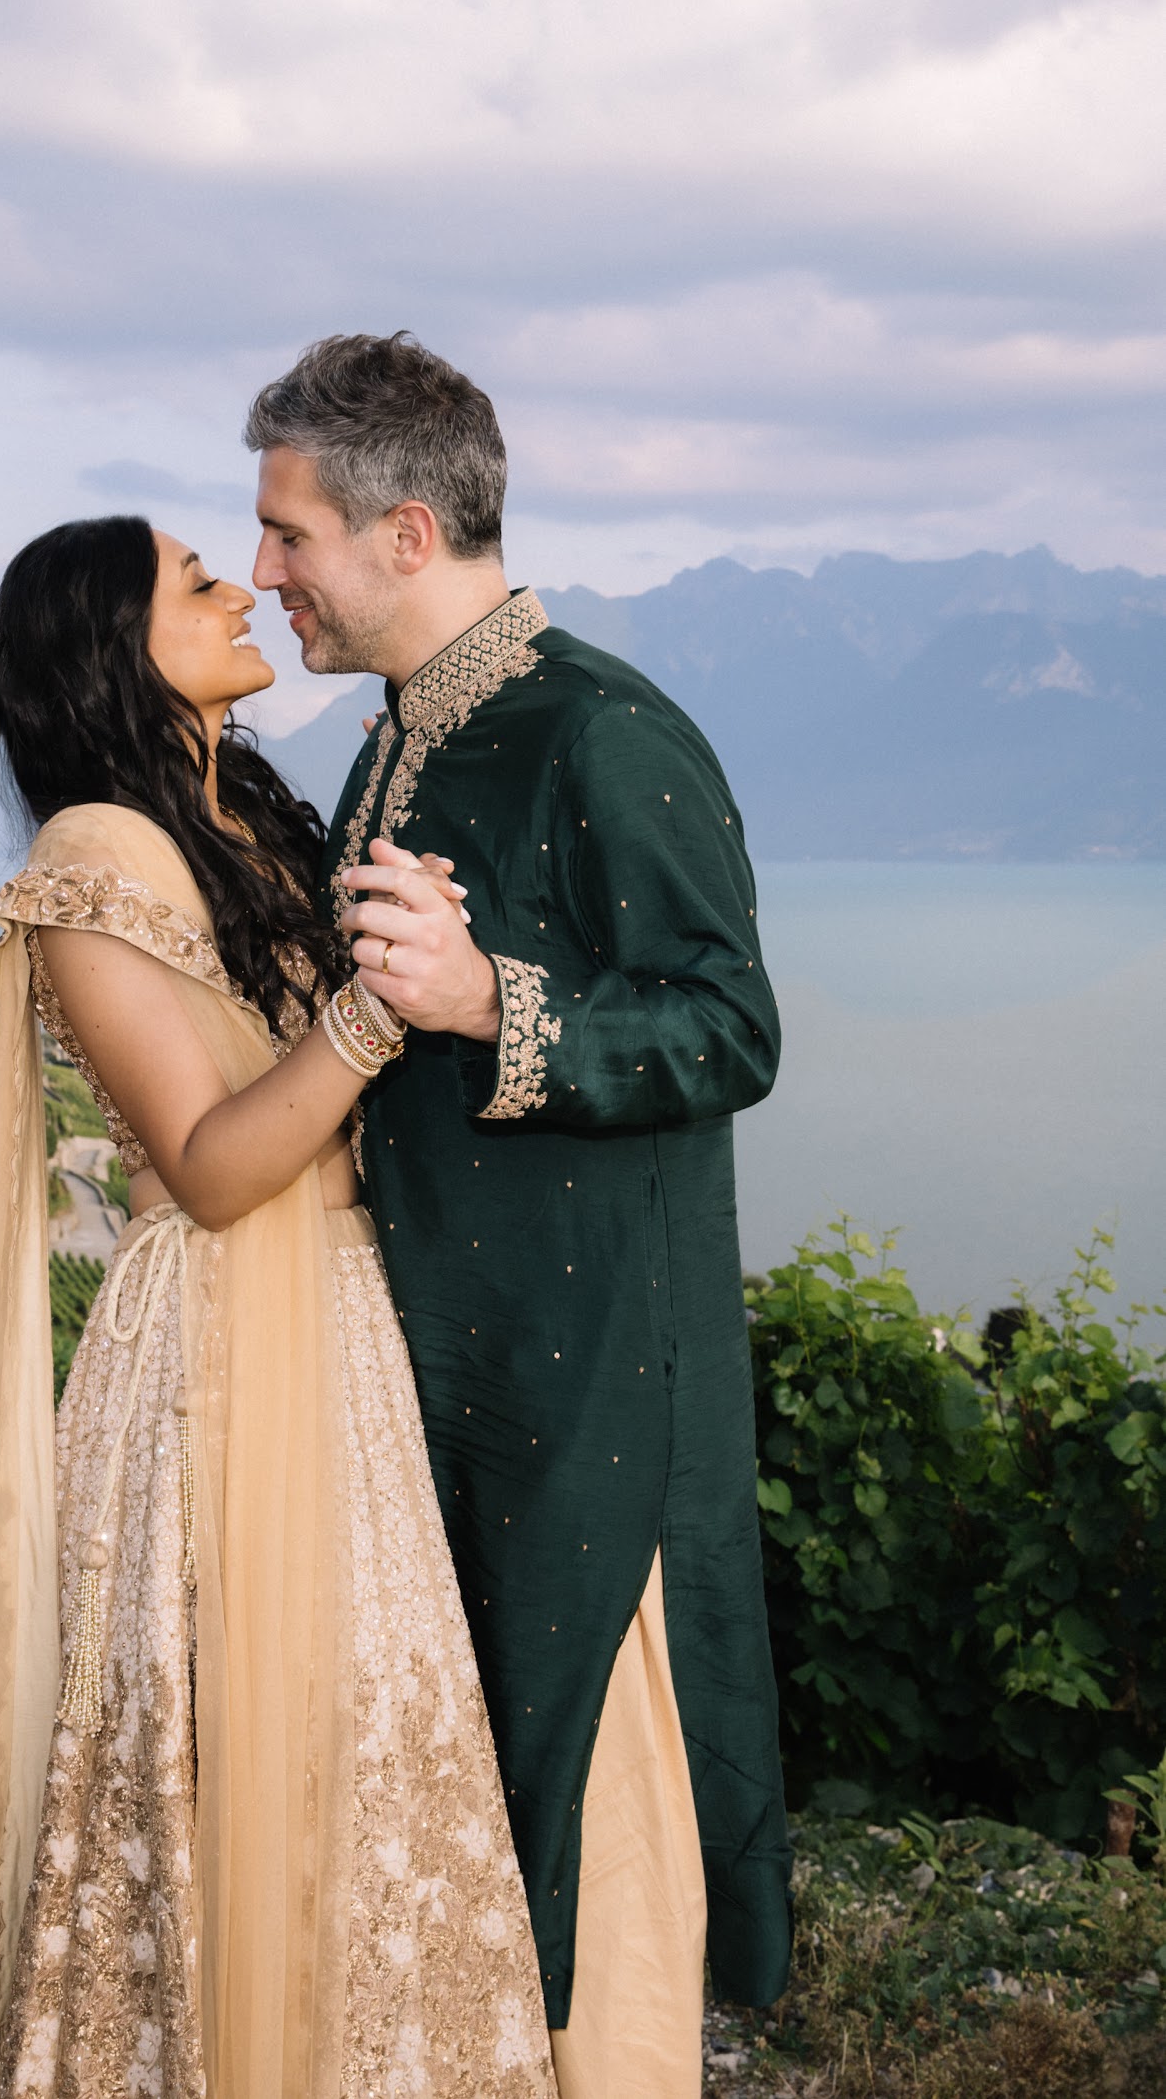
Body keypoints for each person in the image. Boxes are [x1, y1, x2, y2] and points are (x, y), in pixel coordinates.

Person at [0, 513, 557, 2099]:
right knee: (222, 1740)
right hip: (220, 1347)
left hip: (335, 1325)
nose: (242, 587)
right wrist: (376, 1007)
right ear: (111, 650)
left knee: (357, 1733)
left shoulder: (236, 818)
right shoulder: (93, 858)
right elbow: (208, 1166)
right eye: (196, 581)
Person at [248, 332, 793, 2099]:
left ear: (406, 535)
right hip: (436, 1388)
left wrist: (493, 998)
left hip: (590, 1409)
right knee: (459, 1848)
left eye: (290, 533)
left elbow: (732, 1028)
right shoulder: (398, 741)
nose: (266, 570)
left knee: (590, 1848)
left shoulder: (604, 734)